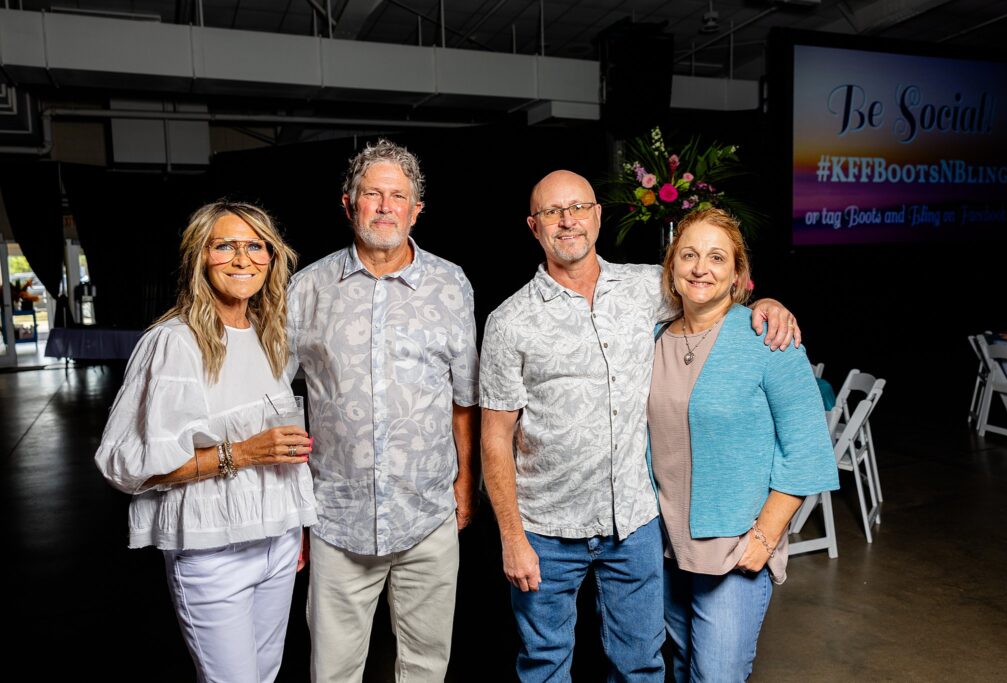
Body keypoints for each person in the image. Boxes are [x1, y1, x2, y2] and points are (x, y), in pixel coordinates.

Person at [479, 170, 800, 682]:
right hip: (546, 528)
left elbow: (711, 294)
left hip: (634, 525)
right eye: (552, 212)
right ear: (533, 226)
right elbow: (494, 437)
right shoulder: (509, 322)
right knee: (544, 664)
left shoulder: (646, 286)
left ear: (597, 216)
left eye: (579, 207)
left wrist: (765, 304)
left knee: (641, 665)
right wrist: (512, 537)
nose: (568, 221)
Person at [94, 201, 317, 682]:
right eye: (226, 246)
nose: (243, 259)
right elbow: (126, 467)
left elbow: (283, 448)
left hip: (278, 545)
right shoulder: (174, 342)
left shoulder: (269, 336)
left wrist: (293, 525)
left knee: (265, 674)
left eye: (255, 245)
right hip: (213, 552)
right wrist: (241, 453)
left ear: (271, 258)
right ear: (200, 256)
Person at [287, 139, 479, 683]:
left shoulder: (451, 284)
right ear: (348, 204)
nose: (385, 206)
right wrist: (292, 507)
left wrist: (465, 488)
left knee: (425, 666)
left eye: (399, 196)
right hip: (336, 518)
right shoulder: (307, 289)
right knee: (334, 670)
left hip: (428, 514)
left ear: (417, 209)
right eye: (372, 194)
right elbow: (277, 402)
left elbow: (463, 398)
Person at [648, 208, 839, 682]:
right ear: (671, 266)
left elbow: (809, 448)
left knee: (715, 675)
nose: (700, 268)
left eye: (717, 257)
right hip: (661, 547)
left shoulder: (768, 339)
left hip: (732, 550)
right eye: (689, 255)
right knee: (677, 666)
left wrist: (765, 538)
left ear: (738, 274)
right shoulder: (653, 339)